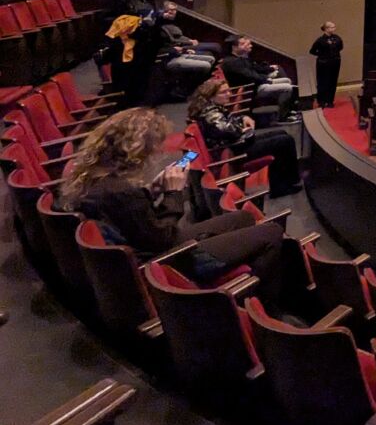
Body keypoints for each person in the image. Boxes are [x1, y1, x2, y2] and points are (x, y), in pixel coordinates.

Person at [62, 108, 285, 298]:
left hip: (150, 246)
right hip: (168, 260)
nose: (156, 153)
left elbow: (135, 221)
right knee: (272, 232)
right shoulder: (121, 191)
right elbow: (162, 239)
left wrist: (151, 192)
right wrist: (173, 193)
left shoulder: (97, 179)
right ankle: (250, 298)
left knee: (243, 217)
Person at [187, 78, 300, 195]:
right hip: (233, 151)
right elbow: (225, 130)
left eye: (228, 91)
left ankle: (288, 182)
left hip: (236, 144)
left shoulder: (212, 107)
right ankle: (282, 187)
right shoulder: (210, 113)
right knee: (283, 141)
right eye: (223, 92)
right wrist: (241, 129)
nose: (229, 94)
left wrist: (242, 119)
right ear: (210, 96)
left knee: (281, 134)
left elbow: (228, 120)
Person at [102, 0, 168, 107]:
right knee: (127, 88)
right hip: (126, 48)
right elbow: (107, 20)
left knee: (145, 85)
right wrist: (133, 23)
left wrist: (164, 17)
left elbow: (155, 22)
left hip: (149, 47)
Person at [219, 36, 297, 120]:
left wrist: (267, 76)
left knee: (287, 81)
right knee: (287, 88)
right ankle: (282, 117)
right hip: (250, 89)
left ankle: (287, 110)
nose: (247, 45)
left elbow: (254, 70)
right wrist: (267, 80)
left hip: (254, 85)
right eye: (242, 44)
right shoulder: (232, 62)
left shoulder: (239, 58)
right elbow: (250, 76)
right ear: (234, 47)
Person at [157, 1, 219, 95]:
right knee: (206, 64)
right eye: (170, 10)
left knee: (211, 59)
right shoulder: (159, 27)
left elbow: (172, 41)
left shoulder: (170, 24)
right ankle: (191, 89)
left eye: (174, 10)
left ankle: (193, 88)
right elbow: (169, 44)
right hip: (168, 58)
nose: (172, 12)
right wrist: (187, 44)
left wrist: (185, 48)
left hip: (177, 52)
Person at [308, 21, 344, 109]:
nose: (334, 29)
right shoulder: (320, 40)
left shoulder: (337, 38)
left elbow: (341, 47)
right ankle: (322, 101)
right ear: (326, 29)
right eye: (332, 27)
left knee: (332, 81)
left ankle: (330, 100)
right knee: (323, 82)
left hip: (335, 62)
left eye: (334, 27)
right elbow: (312, 51)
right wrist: (322, 55)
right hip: (323, 63)